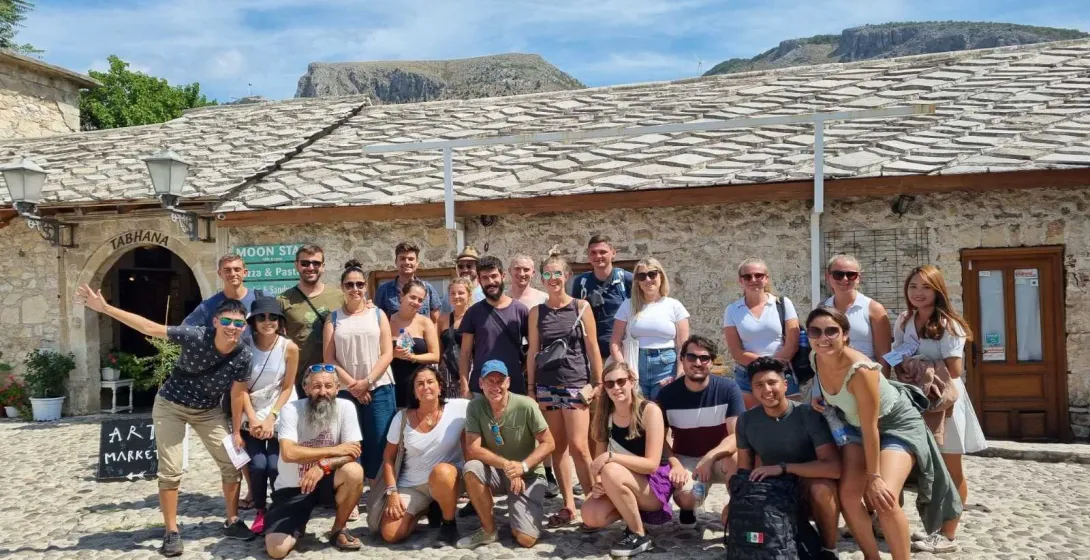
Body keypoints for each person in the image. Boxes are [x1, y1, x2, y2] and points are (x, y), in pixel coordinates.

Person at [75, 286, 254, 556]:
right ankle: (171, 531)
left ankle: (232, 520)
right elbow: (152, 328)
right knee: (171, 470)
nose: (232, 327)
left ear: (244, 326)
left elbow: (238, 392)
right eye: (226, 321)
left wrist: (237, 429)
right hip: (171, 405)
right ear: (216, 322)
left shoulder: (243, 355)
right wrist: (106, 309)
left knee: (231, 462)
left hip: (208, 411)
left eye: (238, 323)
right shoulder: (195, 336)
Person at [808, 307, 962, 560]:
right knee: (848, 495)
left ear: (845, 335)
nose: (823, 338)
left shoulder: (861, 370)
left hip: (894, 425)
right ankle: (872, 557)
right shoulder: (817, 358)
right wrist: (822, 400)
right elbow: (846, 404)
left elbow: (872, 428)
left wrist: (874, 477)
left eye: (831, 331)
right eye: (815, 331)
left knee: (884, 497)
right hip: (856, 427)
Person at [894, 265, 986, 551]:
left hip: (945, 401)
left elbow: (955, 370)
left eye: (925, 287)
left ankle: (948, 535)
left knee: (951, 468)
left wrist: (920, 362)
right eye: (913, 287)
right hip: (917, 400)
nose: (918, 293)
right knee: (929, 468)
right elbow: (896, 355)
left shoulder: (949, 324)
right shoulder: (904, 320)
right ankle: (935, 528)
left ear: (937, 290)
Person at [735, 357, 841, 560]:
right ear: (752, 389)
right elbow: (743, 471)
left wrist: (783, 468)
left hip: (806, 488)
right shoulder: (746, 420)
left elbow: (833, 467)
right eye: (759, 385)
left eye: (772, 382)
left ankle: (829, 549)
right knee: (729, 517)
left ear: (785, 384)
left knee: (822, 489)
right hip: (773, 492)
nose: (767, 390)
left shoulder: (807, 414)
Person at [526, 251, 603, 528]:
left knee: (581, 447)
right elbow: (533, 351)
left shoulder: (581, 307)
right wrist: (532, 388)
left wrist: (598, 382)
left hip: (575, 383)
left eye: (557, 273)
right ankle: (569, 505)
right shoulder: (537, 311)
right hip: (547, 385)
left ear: (567, 276)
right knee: (557, 448)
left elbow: (593, 347)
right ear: (542, 279)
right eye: (547, 274)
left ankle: (594, 501)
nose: (553, 278)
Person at [263, 364, 365, 557]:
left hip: (328, 481)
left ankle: (338, 530)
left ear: (337, 389)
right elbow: (288, 453)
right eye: (316, 386)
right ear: (306, 388)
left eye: (328, 386)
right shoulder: (291, 410)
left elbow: (353, 452)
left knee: (354, 471)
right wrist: (335, 450)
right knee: (276, 551)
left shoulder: (346, 407)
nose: (323, 392)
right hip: (293, 487)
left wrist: (324, 465)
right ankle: (296, 524)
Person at [457, 360, 555, 549]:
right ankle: (488, 530)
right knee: (471, 468)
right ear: (480, 384)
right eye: (490, 381)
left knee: (525, 539)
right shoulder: (475, 407)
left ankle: (520, 514)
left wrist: (523, 466)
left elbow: (549, 443)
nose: (495, 386)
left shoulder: (526, 405)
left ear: (508, 382)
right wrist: (510, 466)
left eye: (500, 381)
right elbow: (473, 449)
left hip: (528, 474)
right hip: (500, 472)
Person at [370, 365, 469, 546]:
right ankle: (425, 509)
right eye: (420, 384)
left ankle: (448, 524)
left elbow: (487, 411)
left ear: (440, 387)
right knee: (391, 534)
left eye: (430, 382)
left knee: (442, 472)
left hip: (448, 479)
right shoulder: (401, 418)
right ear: (414, 392)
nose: (426, 387)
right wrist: (392, 492)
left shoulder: (460, 408)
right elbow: (388, 458)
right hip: (412, 485)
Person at [580, 362, 671, 557]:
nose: (616, 387)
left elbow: (651, 464)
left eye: (621, 381)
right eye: (610, 384)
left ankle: (639, 534)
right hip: (621, 482)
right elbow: (597, 463)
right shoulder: (606, 416)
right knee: (590, 516)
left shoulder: (649, 410)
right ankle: (630, 514)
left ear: (632, 382)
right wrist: (597, 484)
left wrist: (611, 457)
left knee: (610, 469)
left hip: (652, 486)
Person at [656, 335, 744, 529]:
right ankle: (691, 506)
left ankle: (737, 506)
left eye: (704, 358)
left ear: (711, 362)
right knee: (688, 497)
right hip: (688, 461)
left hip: (721, 459)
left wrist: (710, 457)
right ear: (682, 360)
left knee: (739, 459)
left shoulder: (728, 389)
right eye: (691, 357)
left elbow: (736, 435)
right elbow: (658, 439)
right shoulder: (667, 394)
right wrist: (674, 463)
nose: (697, 363)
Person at [322, 259, 395, 486]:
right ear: (342, 287)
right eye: (349, 285)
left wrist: (368, 382)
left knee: (380, 440)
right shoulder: (333, 318)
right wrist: (355, 385)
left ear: (366, 287)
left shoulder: (378, 315)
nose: (355, 289)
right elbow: (329, 359)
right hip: (345, 390)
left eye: (359, 284)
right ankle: (351, 492)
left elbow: (387, 353)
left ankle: (376, 490)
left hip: (379, 386)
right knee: (349, 442)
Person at [233, 296, 300, 536]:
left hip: (278, 412)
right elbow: (239, 388)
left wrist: (272, 417)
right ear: (253, 321)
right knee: (258, 465)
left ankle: (279, 508)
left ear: (280, 321)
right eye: (261, 317)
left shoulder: (289, 348)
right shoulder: (243, 347)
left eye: (272, 317)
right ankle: (260, 510)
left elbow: (287, 386)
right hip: (250, 413)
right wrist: (252, 418)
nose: (267, 321)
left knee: (275, 465)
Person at [723, 257, 801, 409]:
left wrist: (773, 366)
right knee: (754, 425)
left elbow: (792, 343)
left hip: (782, 373)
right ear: (740, 281)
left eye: (759, 275)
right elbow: (736, 352)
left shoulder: (783, 304)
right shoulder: (732, 310)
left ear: (766, 279)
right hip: (747, 375)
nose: (753, 279)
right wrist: (766, 365)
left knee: (791, 424)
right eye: (747, 276)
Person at [610, 257, 689, 400]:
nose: (648, 280)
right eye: (642, 276)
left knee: (663, 411)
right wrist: (623, 370)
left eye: (652, 274)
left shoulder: (674, 305)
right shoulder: (628, 305)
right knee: (638, 412)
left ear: (661, 276)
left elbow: (683, 345)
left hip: (666, 365)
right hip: (635, 365)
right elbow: (615, 342)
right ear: (637, 282)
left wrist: (680, 373)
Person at [457, 255, 530, 397]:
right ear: (479, 280)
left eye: (494, 276)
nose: (491, 282)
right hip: (481, 387)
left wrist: (521, 369)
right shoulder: (473, 312)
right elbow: (465, 353)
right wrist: (464, 387)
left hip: (513, 387)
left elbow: (534, 348)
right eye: (485, 278)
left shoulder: (520, 310)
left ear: (503, 276)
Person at [278, 244, 344, 396]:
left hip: (335, 379)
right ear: (296, 265)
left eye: (316, 263)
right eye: (305, 263)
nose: (311, 267)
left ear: (323, 266)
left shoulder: (340, 297)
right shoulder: (283, 300)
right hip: (301, 379)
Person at [570, 234, 632, 362]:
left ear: (613, 253)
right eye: (593, 253)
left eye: (602, 252)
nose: (598, 256)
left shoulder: (626, 280)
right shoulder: (580, 282)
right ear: (588, 256)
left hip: (622, 353)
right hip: (590, 354)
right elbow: (573, 316)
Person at [823, 254, 892, 366]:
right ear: (828, 277)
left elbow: (885, 355)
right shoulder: (822, 308)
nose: (845, 279)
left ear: (859, 278)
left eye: (851, 275)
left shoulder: (874, 309)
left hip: (864, 378)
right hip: (829, 377)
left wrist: (881, 382)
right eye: (838, 274)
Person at [388, 279, 441, 407]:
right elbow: (378, 353)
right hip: (393, 384)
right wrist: (393, 355)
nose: (416, 302)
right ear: (401, 296)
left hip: (420, 386)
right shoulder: (387, 320)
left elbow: (435, 356)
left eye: (420, 300)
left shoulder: (425, 322)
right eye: (412, 297)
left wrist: (412, 357)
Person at [183, 254, 258, 328]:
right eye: (227, 270)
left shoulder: (260, 299)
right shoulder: (208, 306)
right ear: (220, 273)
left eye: (237, 269)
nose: (232, 274)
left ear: (245, 273)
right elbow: (183, 330)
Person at [375, 241, 443, 322]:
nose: (407, 262)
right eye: (402, 259)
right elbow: (377, 320)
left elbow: (435, 320)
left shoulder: (427, 288)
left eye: (411, 259)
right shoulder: (383, 290)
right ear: (396, 262)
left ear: (417, 263)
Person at [438, 278, 473, 399]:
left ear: (469, 294)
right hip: (448, 375)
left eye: (461, 293)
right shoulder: (442, 319)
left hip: (472, 372)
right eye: (452, 293)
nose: (456, 296)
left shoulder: (476, 317)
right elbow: (439, 350)